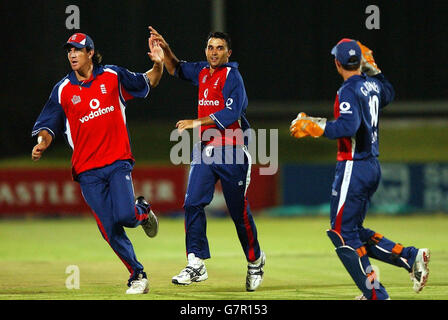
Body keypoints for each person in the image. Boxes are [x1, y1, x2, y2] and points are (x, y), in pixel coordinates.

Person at [289, 39, 430, 300]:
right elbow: (389, 92)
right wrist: (374, 68)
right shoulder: (372, 84)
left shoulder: (348, 90)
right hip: (371, 165)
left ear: (337, 63)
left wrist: (313, 125)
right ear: (360, 62)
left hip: (353, 166)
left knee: (341, 233)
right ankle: (409, 256)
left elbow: (348, 126)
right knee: (351, 230)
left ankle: (376, 294)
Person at [31, 31, 163, 294]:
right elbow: (48, 123)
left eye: (77, 50)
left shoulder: (112, 76)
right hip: (87, 170)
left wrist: (158, 64)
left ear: (90, 53)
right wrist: (43, 142)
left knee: (126, 216)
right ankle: (138, 275)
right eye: (69, 51)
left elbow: (148, 82)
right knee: (109, 230)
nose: (72, 55)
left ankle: (143, 211)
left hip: (117, 162)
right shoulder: (63, 89)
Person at [148, 26, 265, 291]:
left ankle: (255, 260)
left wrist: (195, 121)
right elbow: (175, 68)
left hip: (233, 149)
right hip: (205, 149)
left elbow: (233, 111)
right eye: (211, 47)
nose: (214, 52)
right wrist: (164, 48)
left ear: (228, 52)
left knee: (238, 213)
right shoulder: (202, 70)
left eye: (220, 48)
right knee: (192, 204)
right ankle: (196, 262)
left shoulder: (232, 75)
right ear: (206, 50)